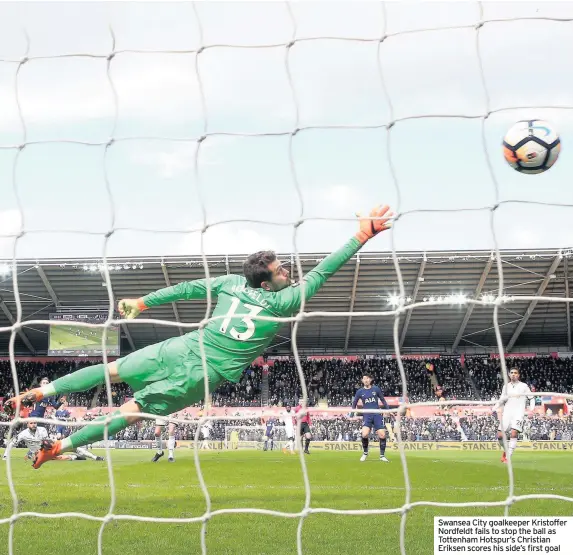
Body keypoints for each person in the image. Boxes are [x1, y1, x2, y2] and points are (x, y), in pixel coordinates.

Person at [4, 205, 393, 469]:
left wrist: (142, 301)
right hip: (203, 372)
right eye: (280, 269)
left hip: (182, 346)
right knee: (129, 410)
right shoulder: (286, 301)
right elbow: (324, 271)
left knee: (112, 369)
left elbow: (186, 289)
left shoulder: (228, 283)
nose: (286, 271)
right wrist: (362, 235)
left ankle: (37, 393)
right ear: (266, 279)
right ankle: (60, 448)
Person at [494, 367, 535, 463]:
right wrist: (494, 407)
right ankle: (506, 450)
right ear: (509, 375)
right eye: (511, 372)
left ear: (518, 375)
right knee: (500, 435)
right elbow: (501, 400)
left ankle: (508, 457)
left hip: (518, 413)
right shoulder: (506, 387)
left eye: (515, 373)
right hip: (507, 413)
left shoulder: (524, 386)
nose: (513, 374)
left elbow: (531, 398)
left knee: (514, 433)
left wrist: (531, 410)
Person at [350, 374, 389, 462]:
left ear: (370, 380)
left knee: (382, 435)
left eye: (367, 378)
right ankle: (365, 453)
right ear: (362, 381)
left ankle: (382, 455)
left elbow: (383, 400)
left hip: (377, 414)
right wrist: (352, 413)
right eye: (364, 379)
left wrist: (388, 410)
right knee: (364, 434)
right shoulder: (360, 391)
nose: (366, 380)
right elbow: (354, 403)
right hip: (367, 415)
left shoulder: (376, 389)